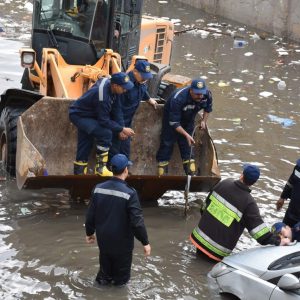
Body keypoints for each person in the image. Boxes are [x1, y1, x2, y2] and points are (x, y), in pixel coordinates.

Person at [190, 164, 290, 262]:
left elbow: (204, 207)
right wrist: (279, 240)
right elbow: (260, 234)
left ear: (242, 175)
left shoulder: (224, 183)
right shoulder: (249, 204)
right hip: (217, 251)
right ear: (253, 183)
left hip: (199, 239)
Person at [85, 154, 151, 286]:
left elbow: (90, 214)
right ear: (126, 170)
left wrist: (89, 233)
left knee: (104, 275)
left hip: (103, 241)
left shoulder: (98, 188)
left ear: (111, 169)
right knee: (121, 282)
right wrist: (145, 242)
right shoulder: (130, 193)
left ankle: (99, 291)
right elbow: (137, 222)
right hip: (122, 246)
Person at [69, 72, 135, 176]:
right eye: (123, 88)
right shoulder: (102, 96)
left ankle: (79, 174)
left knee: (85, 143)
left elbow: (117, 110)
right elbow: (103, 121)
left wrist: (122, 127)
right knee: (105, 133)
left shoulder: (114, 88)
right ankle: (100, 168)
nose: (125, 90)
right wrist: (121, 129)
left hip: (91, 114)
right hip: (80, 115)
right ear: (115, 85)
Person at [156, 78, 212, 176]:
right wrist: (186, 135)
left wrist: (203, 121)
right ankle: (162, 172)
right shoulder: (178, 98)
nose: (200, 96)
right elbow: (175, 123)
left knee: (188, 146)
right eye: (197, 94)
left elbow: (208, 108)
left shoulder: (207, 94)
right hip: (172, 120)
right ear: (190, 90)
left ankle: (190, 173)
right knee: (167, 143)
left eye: (201, 93)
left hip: (189, 118)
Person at [110, 60, 157, 160]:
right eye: (143, 76)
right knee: (114, 152)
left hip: (128, 123)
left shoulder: (141, 81)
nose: (146, 79)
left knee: (125, 151)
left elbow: (142, 90)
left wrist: (149, 99)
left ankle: (124, 172)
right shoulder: (125, 83)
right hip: (118, 124)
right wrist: (120, 129)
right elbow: (117, 109)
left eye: (147, 76)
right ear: (135, 71)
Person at [276, 159, 300, 227]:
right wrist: (282, 197)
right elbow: (291, 182)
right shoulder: (298, 167)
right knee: (283, 233)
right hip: (291, 211)